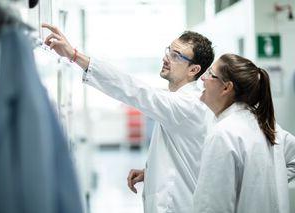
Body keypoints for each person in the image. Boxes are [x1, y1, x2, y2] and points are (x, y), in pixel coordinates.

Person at [42, 23, 214, 213]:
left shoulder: (187, 105)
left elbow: (133, 89)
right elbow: (182, 154)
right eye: (169, 50)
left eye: (176, 55)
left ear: (194, 70)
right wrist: (151, 173)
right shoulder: (181, 101)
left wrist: (74, 55)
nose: (166, 58)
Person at [193, 53, 295, 213]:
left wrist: (270, 182)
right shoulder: (266, 125)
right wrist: (271, 184)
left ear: (226, 87)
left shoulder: (224, 134)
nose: (202, 79)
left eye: (209, 74)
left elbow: (210, 206)